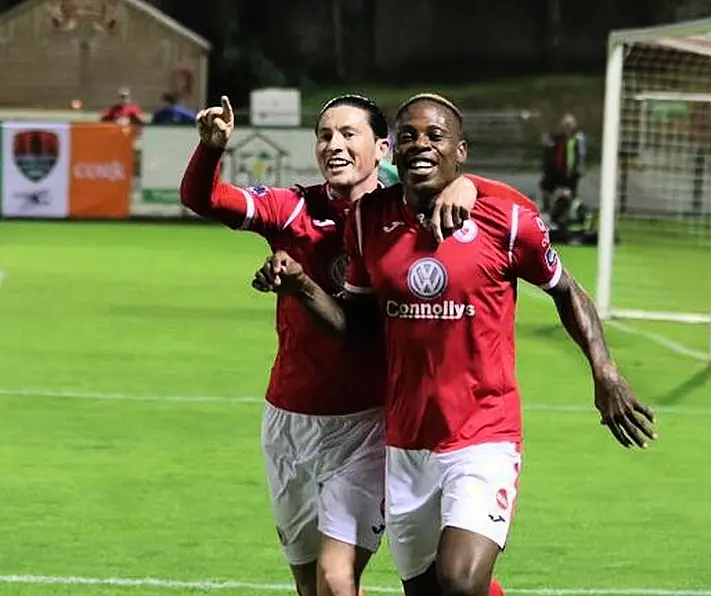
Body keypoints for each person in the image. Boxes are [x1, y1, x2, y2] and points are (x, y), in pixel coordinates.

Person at [254, 94, 658, 596]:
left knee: (460, 579)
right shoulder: (368, 221)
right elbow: (357, 329)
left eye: (434, 136)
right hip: (406, 444)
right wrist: (303, 288)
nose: (420, 145)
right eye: (408, 136)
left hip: (483, 437)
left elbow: (565, 289)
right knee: (428, 589)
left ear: (460, 151)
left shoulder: (506, 219)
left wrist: (605, 371)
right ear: (392, 153)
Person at [179, 93, 516, 596]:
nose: (333, 145)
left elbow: (490, 201)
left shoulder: (405, 212)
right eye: (324, 135)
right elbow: (205, 198)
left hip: (366, 425)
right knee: (313, 585)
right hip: (288, 423)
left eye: (347, 134)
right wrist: (210, 150)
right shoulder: (292, 208)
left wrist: (469, 184)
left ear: (382, 148)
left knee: (340, 578)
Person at [540, 113, 586, 214]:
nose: (568, 128)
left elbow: (581, 157)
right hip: (555, 175)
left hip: (570, 175)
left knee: (569, 196)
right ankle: (549, 212)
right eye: (566, 125)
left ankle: (568, 215)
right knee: (547, 190)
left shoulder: (578, 140)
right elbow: (549, 156)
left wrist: (577, 171)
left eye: (570, 125)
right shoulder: (556, 139)